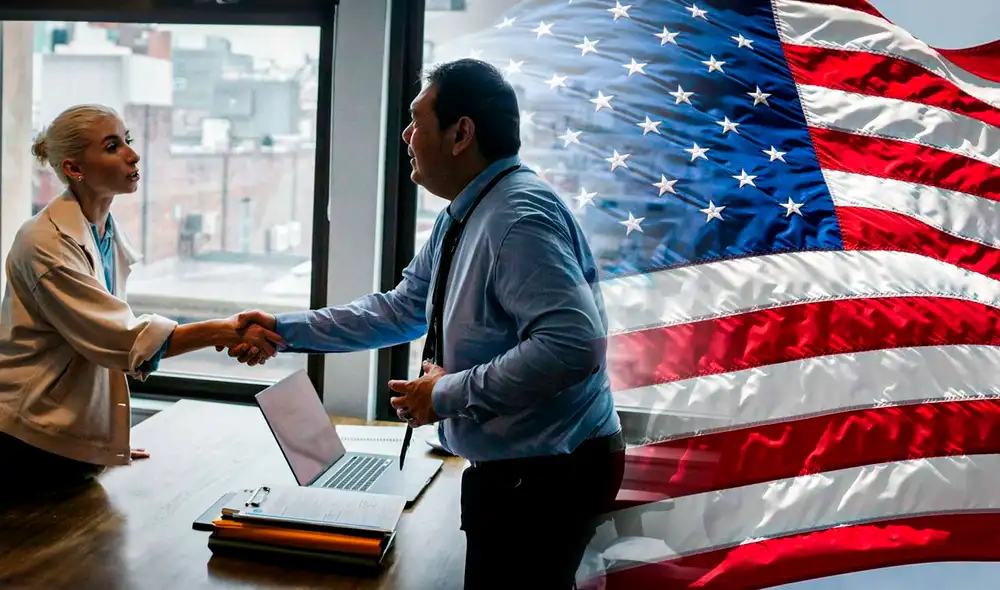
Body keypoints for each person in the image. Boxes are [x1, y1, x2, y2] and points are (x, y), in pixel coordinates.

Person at [228, 59, 624, 589]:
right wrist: (282, 328)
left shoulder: (519, 217)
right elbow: (401, 309)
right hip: (523, 469)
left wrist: (445, 395)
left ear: (461, 134)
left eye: (417, 120)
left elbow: (573, 347)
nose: (406, 135)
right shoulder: (466, 211)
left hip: (547, 474)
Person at [0, 104, 282, 492]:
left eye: (127, 141)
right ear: (74, 169)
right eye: (112, 146)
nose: (132, 154)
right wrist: (227, 331)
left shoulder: (102, 230)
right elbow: (118, 338)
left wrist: (104, 438)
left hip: (66, 436)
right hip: (29, 439)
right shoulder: (45, 244)